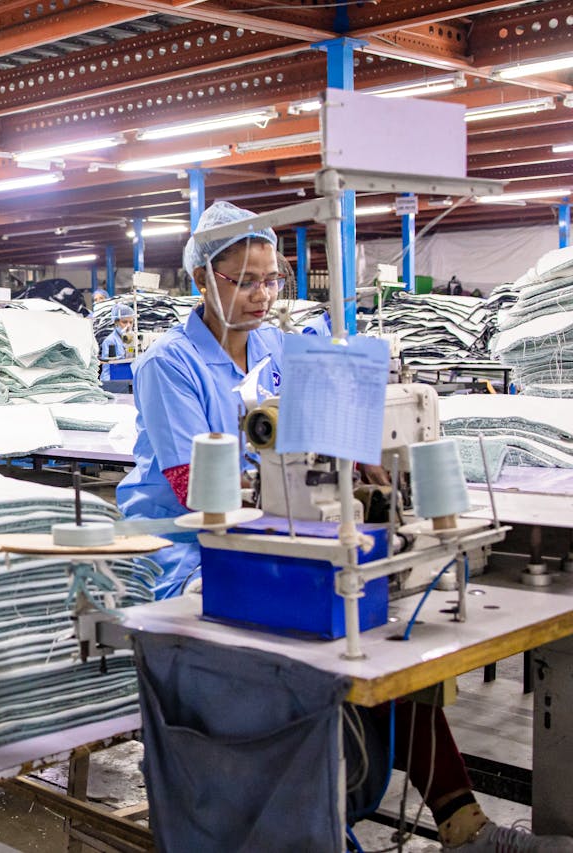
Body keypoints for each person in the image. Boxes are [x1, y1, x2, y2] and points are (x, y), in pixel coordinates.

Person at [119, 200, 573, 853]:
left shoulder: (279, 346)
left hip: (275, 529)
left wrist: (363, 464)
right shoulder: (169, 363)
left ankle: (461, 823)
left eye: (271, 279)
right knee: (311, 654)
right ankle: (309, 826)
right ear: (200, 280)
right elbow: (199, 489)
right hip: (189, 548)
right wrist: (309, 484)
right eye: (242, 279)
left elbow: (334, 425)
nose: (261, 294)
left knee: (392, 638)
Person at [99, 303, 135, 381]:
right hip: (114, 378)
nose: (128, 326)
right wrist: (108, 385)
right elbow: (107, 368)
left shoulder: (133, 339)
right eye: (124, 322)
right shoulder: (110, 341)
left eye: (131, 322)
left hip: (128, 377)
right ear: (116, 322)